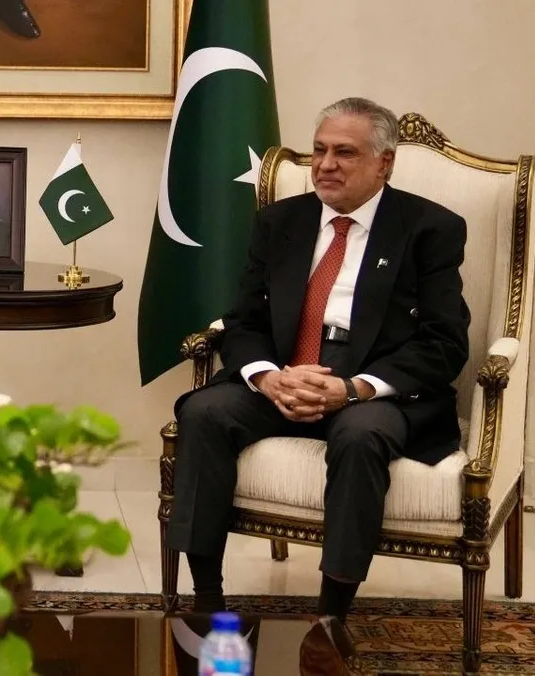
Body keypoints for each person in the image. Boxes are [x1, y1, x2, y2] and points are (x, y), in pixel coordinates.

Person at [166, 97, 470, 666]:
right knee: (203, 412)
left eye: (345, 153)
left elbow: (444, 343)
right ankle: (206, 601)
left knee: (361, 435)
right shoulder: (280, 222)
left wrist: (354, 388)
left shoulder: (430, 229)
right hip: (288, 372)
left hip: (372, 386)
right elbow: (243, 321)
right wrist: (268, 378)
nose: (325, 164)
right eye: (320, 150)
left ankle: (331, 618)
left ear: (384, 163)